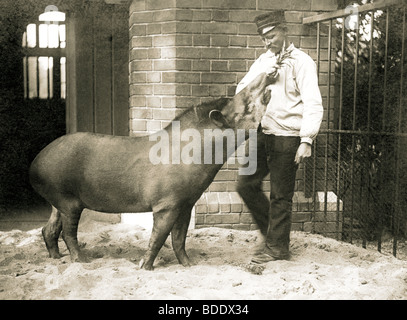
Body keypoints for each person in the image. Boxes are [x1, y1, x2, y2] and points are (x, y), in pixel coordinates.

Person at [236, 11, 323, 263]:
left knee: (280, 196)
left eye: (271, 36)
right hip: (261, 134)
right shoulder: (263, 60)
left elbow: (313, 103)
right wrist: (264, 77)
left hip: (287, 137)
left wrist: (306, 140)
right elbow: (240, 90)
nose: (267, 42)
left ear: (284, 31)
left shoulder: (302, 62)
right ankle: (270, 234)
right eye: (263, 38)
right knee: (245, 184)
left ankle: (277, 249)